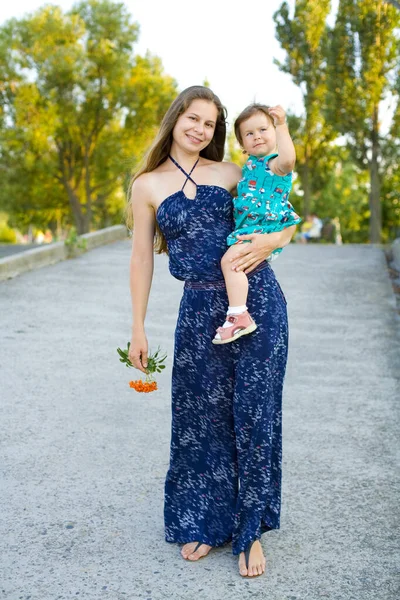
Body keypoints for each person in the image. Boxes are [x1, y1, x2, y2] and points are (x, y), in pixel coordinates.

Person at [127, 86, 297, 578]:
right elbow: (141, 257)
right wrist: (137, 326)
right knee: (200, 417)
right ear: (175, 118)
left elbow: (282, 214)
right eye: (194, 118)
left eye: (211, 123)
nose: (201, 129)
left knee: (254, 410)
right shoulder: (146, 185)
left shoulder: (232, 172)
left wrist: (269, 242)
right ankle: (205, 518)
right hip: (198, 308)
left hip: (257, 300)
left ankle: (250, 530)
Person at [213, 104, 301, 344]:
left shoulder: (274, 164)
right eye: (249, 134)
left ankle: (238, 315)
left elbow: (289, 160)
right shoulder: (250, 166)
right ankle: (238, 312)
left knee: (230, 262)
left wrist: (282, 125)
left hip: (263, 229)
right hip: (250, 229)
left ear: (273, 133)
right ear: (242, 144)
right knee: (234, 263)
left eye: (263, 129)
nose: (257, 136)